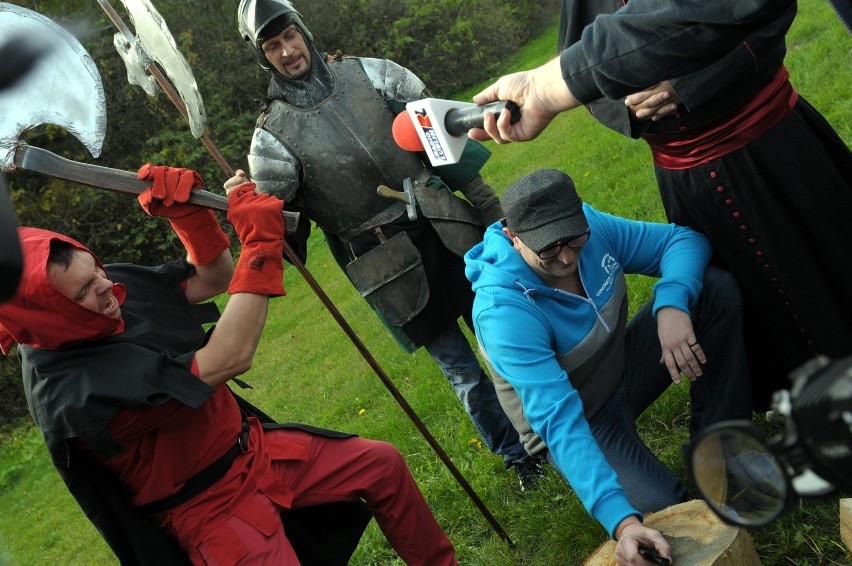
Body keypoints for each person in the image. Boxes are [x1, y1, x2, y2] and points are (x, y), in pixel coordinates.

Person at [0, 164, 458, 565]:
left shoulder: (108, 289)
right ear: (49, 316)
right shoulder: (71, 398)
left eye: (96, 268)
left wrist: (190, 218)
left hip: (256, 452)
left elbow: (210, 278)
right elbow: (228, 357)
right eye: (83, 292)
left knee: (380, 464)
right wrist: (260, 242)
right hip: (206, 508)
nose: (105, 286)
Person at [233, 0, 542, 488]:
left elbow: (446, 150)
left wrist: (494, 214)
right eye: (273, 46)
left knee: (503, 335)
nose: (288, 51)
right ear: (262, 56)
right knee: (461, 370)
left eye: (290, 36)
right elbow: (289, 244)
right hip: (387, 265)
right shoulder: (271, 141)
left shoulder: (375, 76)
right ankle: (520, 459)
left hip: (448, 228)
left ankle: (544, 431)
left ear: (303, 30)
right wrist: (254, 212)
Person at [497, 2, 852, 410]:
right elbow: (580, 66)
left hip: (770, 145)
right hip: (689, 181)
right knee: (741, 290)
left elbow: (760, 12)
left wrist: (685, 86)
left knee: (824, 261)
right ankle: (790, 393)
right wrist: (628, 104)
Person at [464, 169, 754, 564]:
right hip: (583, 418)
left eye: (574, 241)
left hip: (622, 368)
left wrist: (671, 303)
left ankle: (718, 445)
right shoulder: (504, 313)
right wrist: (623, 523)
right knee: (666, 516)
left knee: (713, 290)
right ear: (514, 238)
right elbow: (560, 421)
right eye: (548, 250)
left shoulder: (591, 227)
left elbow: (681, 240)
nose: (566, 257)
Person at [467, 0, 800, 145]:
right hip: (683, 173)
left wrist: (690, 81)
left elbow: (762, 10)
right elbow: (587, 69)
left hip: (769, 135)